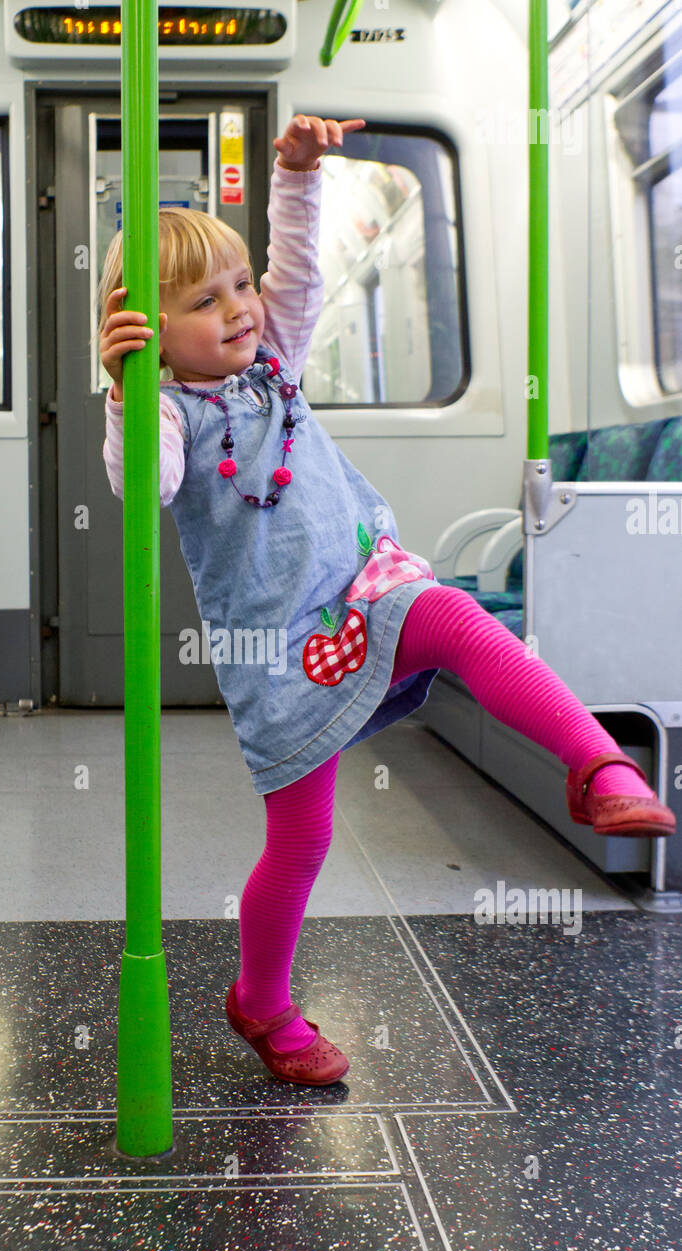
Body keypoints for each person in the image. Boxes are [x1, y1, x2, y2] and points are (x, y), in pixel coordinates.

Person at [98, 114, 676, 1088]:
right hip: (281, 644)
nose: (240, 308)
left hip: (368, 579)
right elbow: (141, 487)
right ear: (150, 328)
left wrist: (295, 173)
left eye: (240, 283)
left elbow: (298, 277)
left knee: (450, 614)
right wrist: (122, 391)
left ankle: (595, 763)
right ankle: (262, 1003)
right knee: (303, 839)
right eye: (206, 299)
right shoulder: (165, 408)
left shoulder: (269, 351)